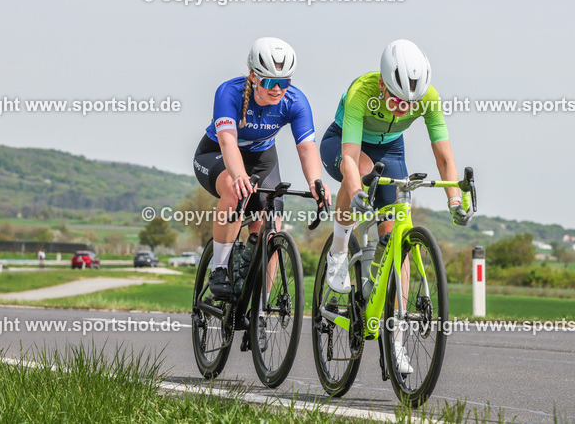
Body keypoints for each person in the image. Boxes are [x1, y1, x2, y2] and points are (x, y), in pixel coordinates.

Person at [319, 39, 472, 373]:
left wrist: (455, 200)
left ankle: (397, 341)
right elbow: (348, 156)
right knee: (359, 171)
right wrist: (357, 190)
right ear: (381, 84)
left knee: (396, 239)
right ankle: (339, 254)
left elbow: (444, 155)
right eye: (396, 100)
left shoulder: (428, 98)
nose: (403, 109)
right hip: (345, 143)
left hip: (390, 150)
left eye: (410, 104)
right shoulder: (362, 90)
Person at [193, 37, 331, 331]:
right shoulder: (228, 92)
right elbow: (228, 142)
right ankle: (219, 269)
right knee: (233, 187)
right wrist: (240, 176)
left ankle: (259, 309)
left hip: (263, 159)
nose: (278, 89)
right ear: (254, 76)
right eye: (270, 82)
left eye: (285, 81)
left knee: (272, 227)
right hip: (217, 153)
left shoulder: (295, 101)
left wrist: (316, 181)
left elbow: (306, 148)